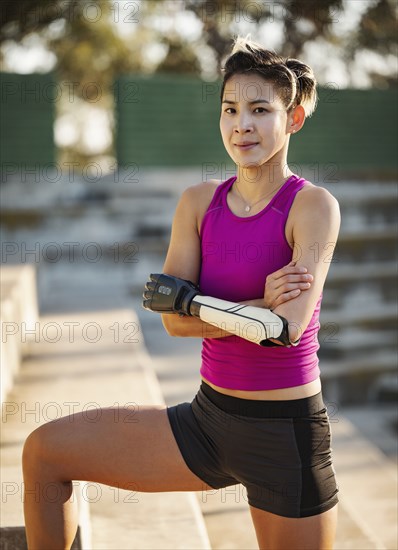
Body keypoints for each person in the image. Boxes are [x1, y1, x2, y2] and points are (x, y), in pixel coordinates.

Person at [22, 35, 340, 549]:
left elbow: (283, 329)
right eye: (230, 109)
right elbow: (171, 322)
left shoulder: (312, 207)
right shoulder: (197, 203)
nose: (242, 125)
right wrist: (248, 305)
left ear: (294, 119)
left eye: (260, 110)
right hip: (206, 423)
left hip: (284, 438)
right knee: (43, 452)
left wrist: (194, 303)